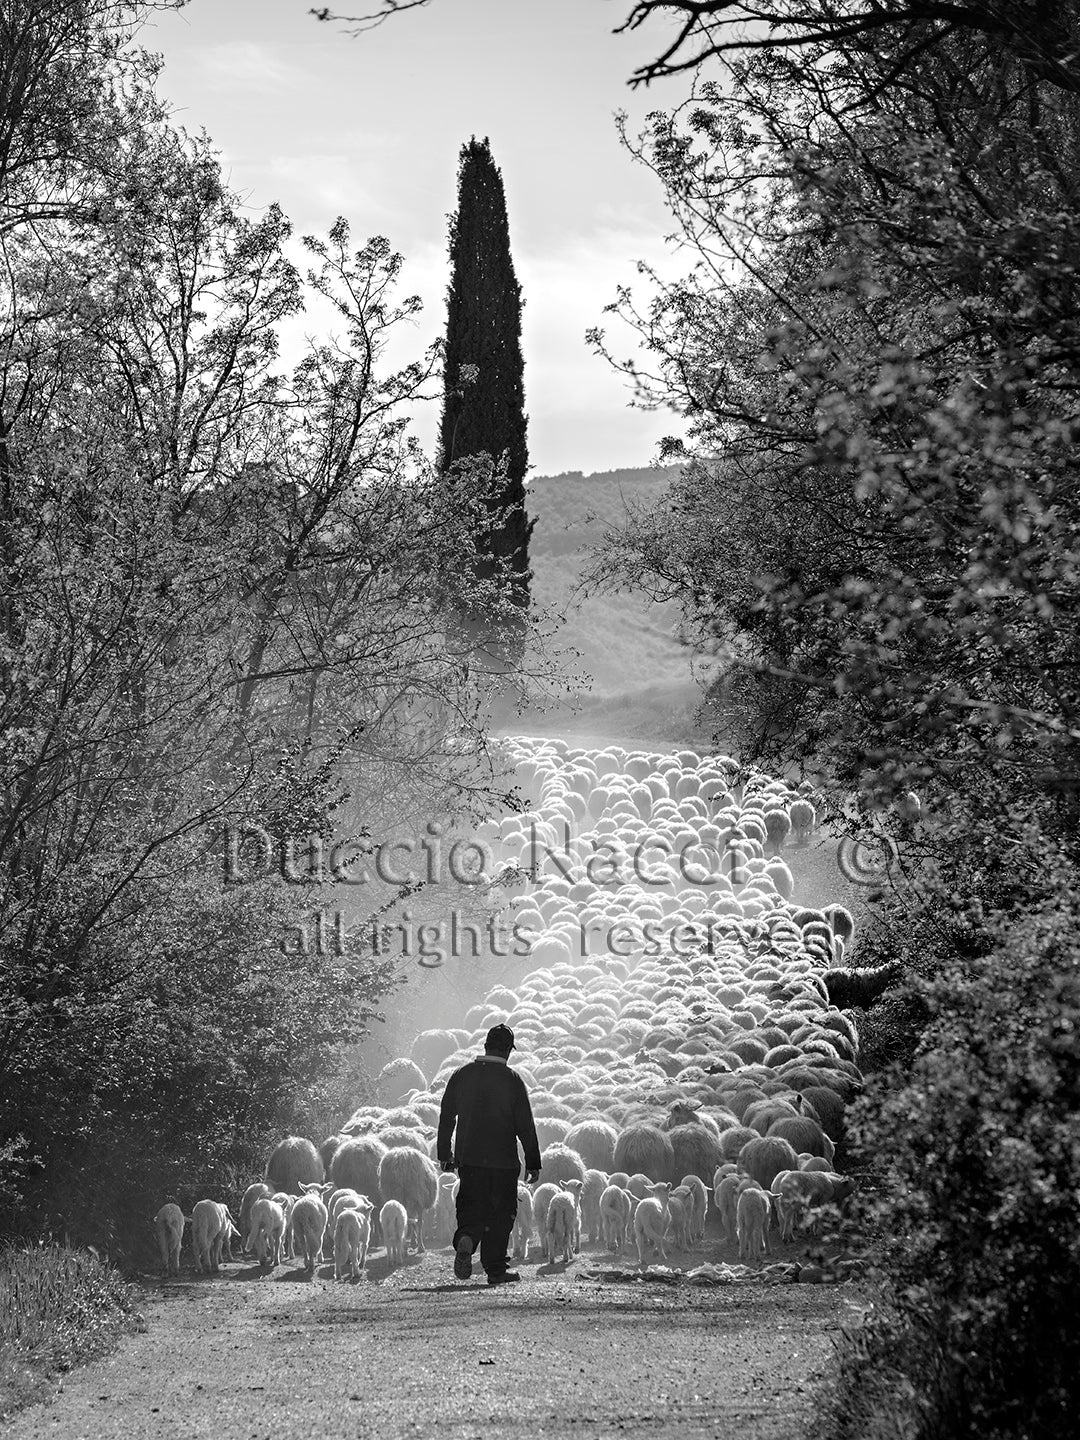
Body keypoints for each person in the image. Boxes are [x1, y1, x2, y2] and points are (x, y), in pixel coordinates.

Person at [436, 1022, 542, 1285]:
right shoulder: (513, 1080)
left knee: (471, 1206)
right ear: (508, 1051)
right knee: (500, 1214)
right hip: (503, 1163)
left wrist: (444, 1153)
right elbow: (525, 1124)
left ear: (485, 1045)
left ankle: (467, 1239)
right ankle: (495, 1270)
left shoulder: (462, 1074)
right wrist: (533, 1160)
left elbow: (447, 1116)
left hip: (469, 1160)